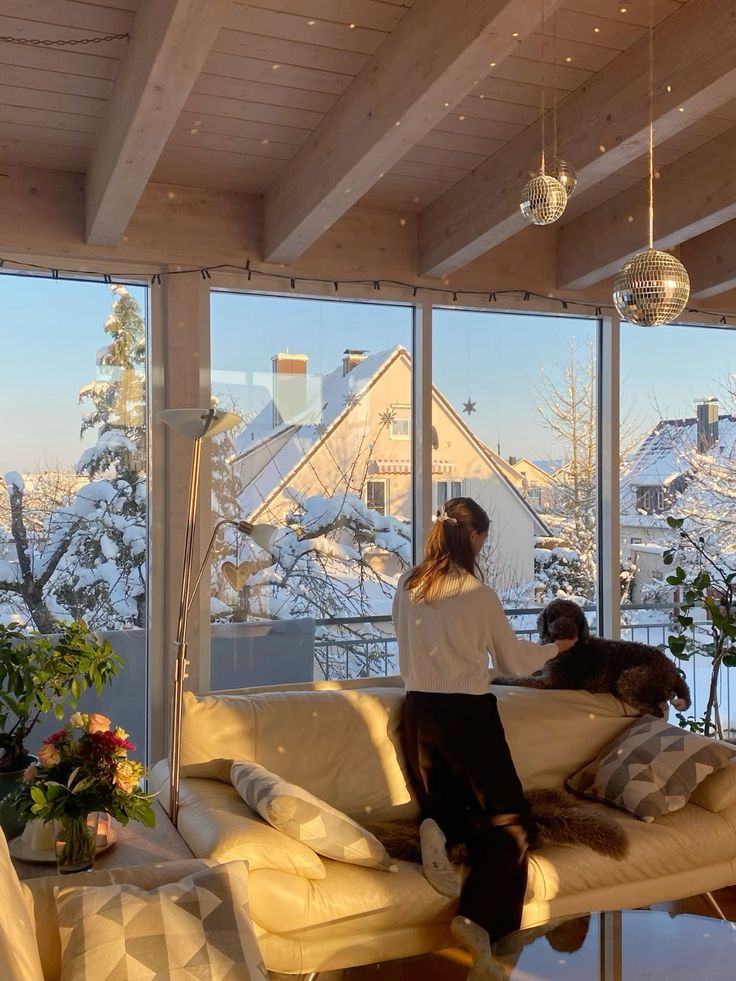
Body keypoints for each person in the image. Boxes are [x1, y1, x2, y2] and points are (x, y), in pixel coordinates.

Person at [392, 497, 577, 981]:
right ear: (473, 537)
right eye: (484, 539)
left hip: (417, 713)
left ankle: (441, 824)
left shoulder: (407, 585)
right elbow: (513, 661)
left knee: (460, 809)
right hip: (466, 715)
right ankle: (484, 929)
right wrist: (554, 649)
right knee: (511, 822)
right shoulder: (477, 594)